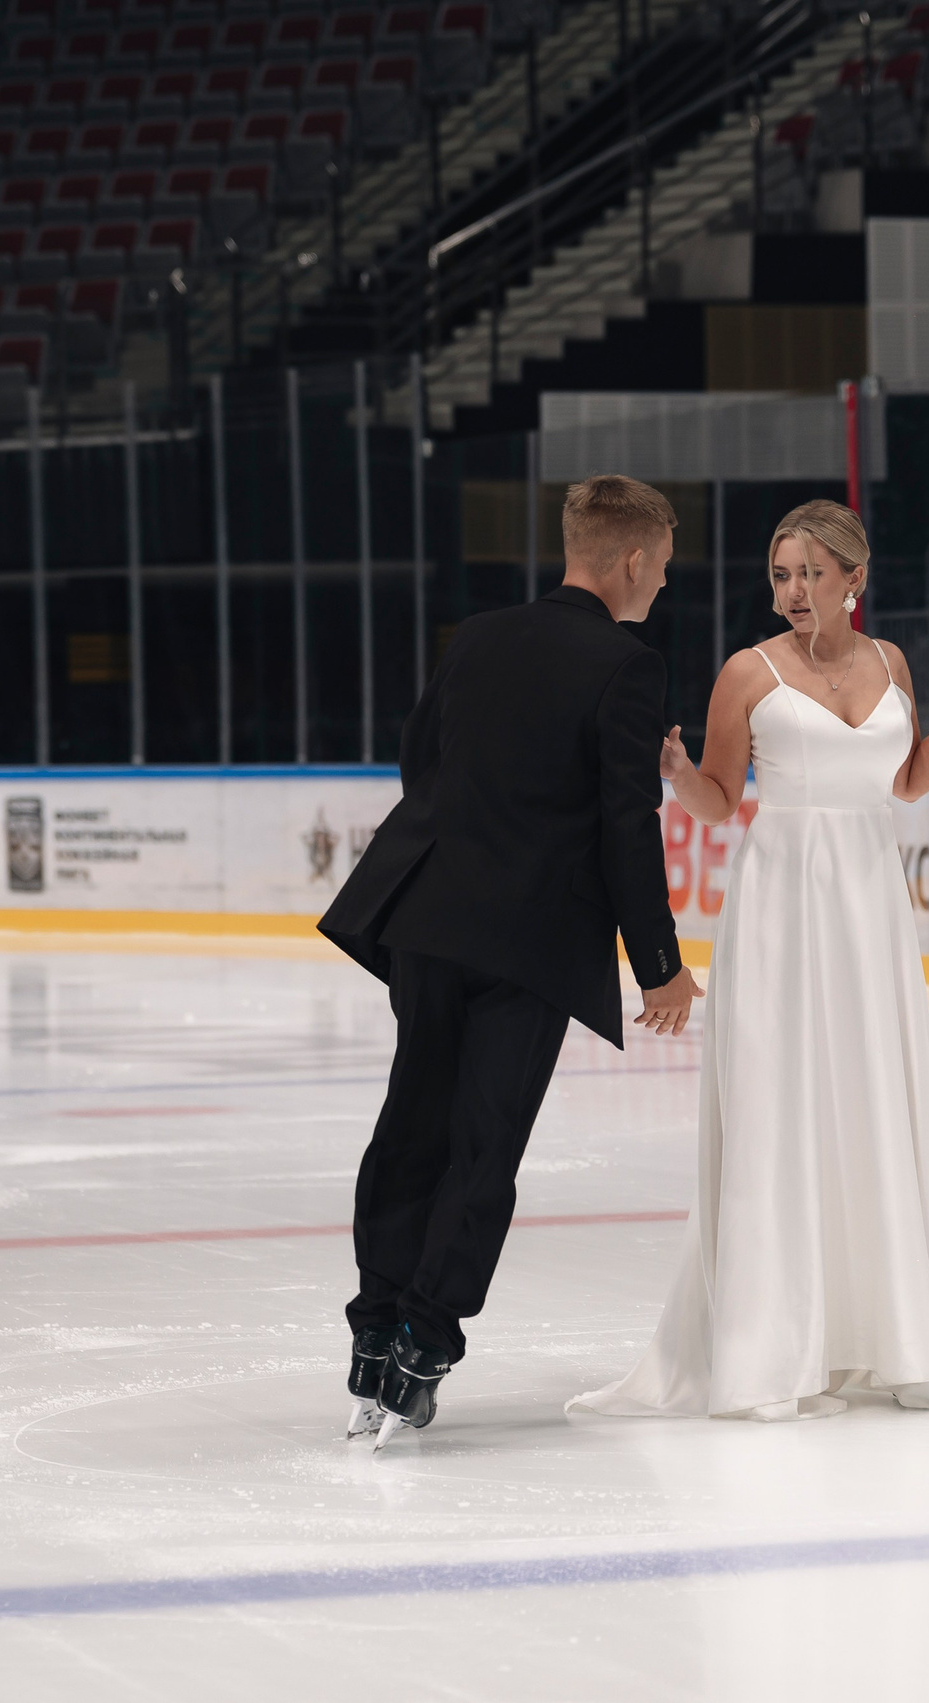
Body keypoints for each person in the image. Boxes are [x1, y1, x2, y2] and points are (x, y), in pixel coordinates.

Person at [572, 499, 929, 1422]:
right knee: (784, 1106)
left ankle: (881, 1334)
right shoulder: (747, 671)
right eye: (780, 574)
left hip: (870, 904)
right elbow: (722, 801)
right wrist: (678, 772)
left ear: (855, 576)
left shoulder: (890, 664)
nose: (793, 591)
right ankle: (775, 1345)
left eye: (810, 572)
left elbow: (905, 782)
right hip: (781, 906)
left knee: (871, 1102)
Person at [320, 473, 702, 1447]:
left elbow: (421, 760)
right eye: (659, 568)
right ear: (628, 560)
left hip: (428, 914)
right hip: (527, 937)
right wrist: (657, 960)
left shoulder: (480, 636)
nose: (659, 585)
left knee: (412, 1127)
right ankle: (422, 1346)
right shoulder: (627, 664)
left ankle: (374, 1337)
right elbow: (627, 821)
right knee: (483, 1147)